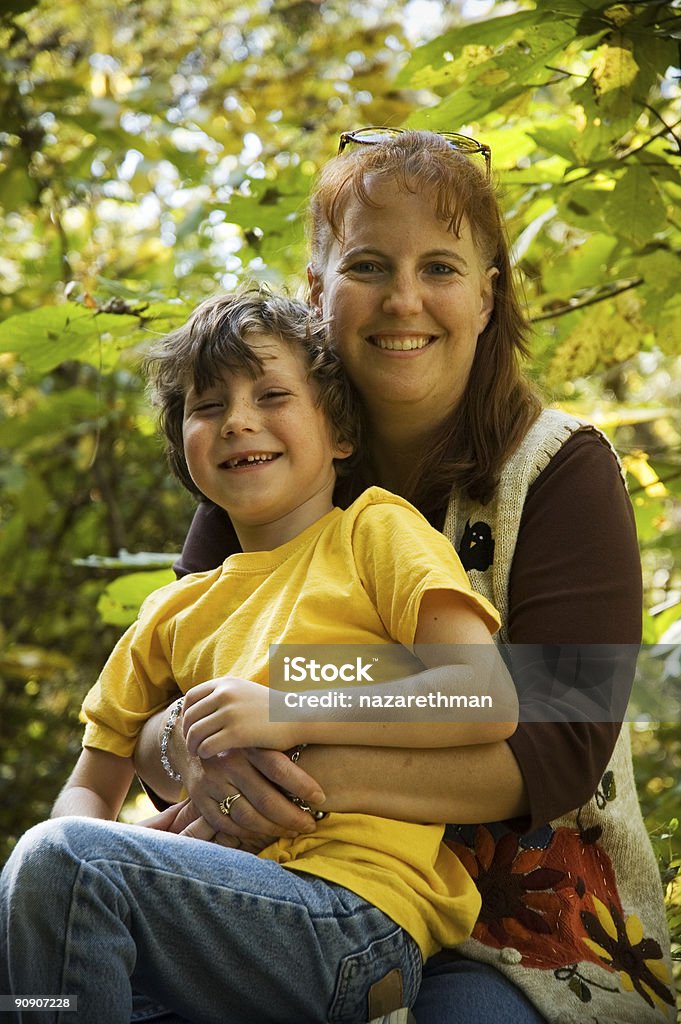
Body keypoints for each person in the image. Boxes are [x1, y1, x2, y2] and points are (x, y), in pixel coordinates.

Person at [134, 130, 676, 1024]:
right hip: (280, 889)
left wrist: (309, 739)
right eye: (369, 266)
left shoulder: (557, 472)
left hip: (517, 930)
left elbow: (558, 741)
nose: (403, 299)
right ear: (318, 292)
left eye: (440, 268)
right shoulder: (263, 465)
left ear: (487, 294)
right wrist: (184, 751)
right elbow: (165, 700)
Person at [0, 290, 520, 1024]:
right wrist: (131, 840)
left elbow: (483, 694)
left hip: (351, 920)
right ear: (184, 443)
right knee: (31, 933)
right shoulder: (171, 613)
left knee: (62, 865)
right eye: (206, 407)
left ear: (339, 431)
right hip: (210, 915)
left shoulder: (373, 533)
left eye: (272, 395)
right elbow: (87, 791)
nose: (237, 420)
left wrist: (285, 707)